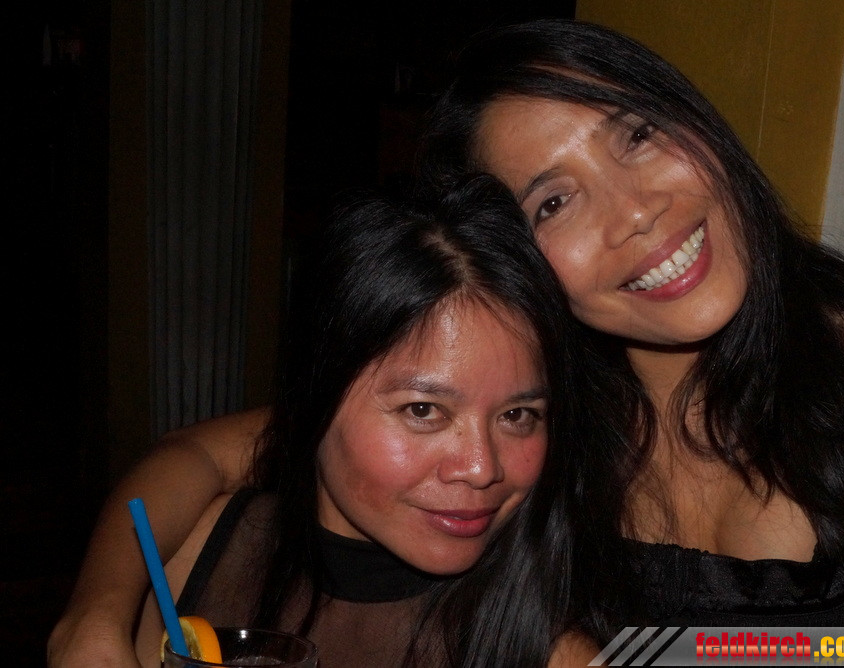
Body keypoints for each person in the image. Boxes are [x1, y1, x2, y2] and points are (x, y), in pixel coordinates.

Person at [51, 18, 844, 663]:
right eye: (553, 202)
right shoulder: (528, 399)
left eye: (637, 134)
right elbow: (200, 456)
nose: (635, 213)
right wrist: (91, 619)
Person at [72, 176, 641, 667]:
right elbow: (191, 453)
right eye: (423, 410)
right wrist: (92, 618)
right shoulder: (195, 554)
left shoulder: (554, 652)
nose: (481, 468)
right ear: (317, 392)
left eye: (518, 415)